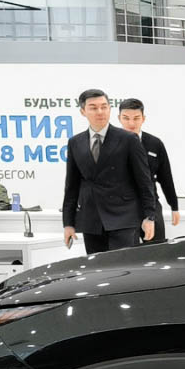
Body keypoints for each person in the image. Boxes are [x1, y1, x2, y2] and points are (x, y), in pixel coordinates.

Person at [61, 88, 157, 253]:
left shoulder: (128, 139)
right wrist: (68, 223)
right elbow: (71, 186)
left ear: (109, 109)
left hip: (124, 217)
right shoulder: (75, 142)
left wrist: (149, 217)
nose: (100, 112)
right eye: (93, 108)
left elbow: (144, 181)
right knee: (97, 266)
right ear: (83, 111)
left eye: (104, 107)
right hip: (92, 219)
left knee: (123, 266)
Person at [117, 98, 180, 244]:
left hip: (151, 204)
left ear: (143, 119)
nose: (131, 123)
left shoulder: (155, 143)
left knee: (157, 249)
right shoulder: (110, 143)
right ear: (119, 118)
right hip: (122, 207)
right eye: (126, 118)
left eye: (136, 118)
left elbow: (165, 177)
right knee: (126, 251)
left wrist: (174, 206)